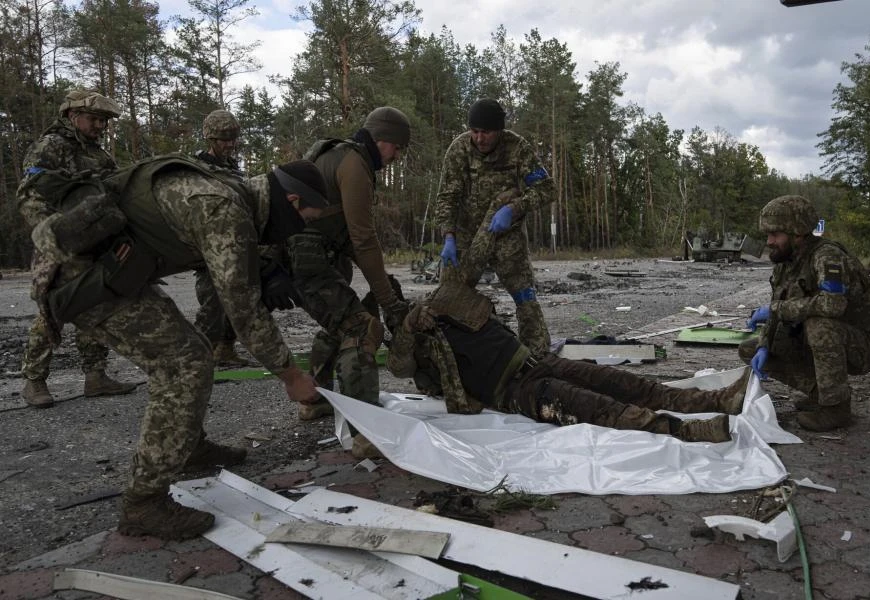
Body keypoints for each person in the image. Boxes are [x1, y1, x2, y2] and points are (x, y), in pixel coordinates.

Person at [26, 156, 331, 540]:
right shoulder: (224, 208)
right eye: (308, 219)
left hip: (113, 265)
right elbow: (242, 306)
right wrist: (291, 375)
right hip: (80, 276)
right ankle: (144, 503)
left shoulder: (234, 194)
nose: (304, 228)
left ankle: (186, 446)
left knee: (194, 349)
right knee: (183, 364)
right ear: (291, 202)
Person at [387, 281, 749, 442]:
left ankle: (715, 400)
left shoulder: (442, 310)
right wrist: (405, 328)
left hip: (539, 362)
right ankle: (689, 431)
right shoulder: (415, 351)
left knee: (628, 384)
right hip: (518, 391)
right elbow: (398, 367)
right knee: (599, 408)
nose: (412, 311)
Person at [17, 89, 137, 408]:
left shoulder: (99, 155)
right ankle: (34, 381)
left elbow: (115, 195)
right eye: (95, 119)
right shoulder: (51, 146)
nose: (100, 126)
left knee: (94, 305)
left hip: (94, 244)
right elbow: (29, 196)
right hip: (58, 244)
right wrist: (54, 234)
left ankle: (95, 376)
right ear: (73, 116)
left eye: (104, 121)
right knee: (53, 308)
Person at [296, 106, 412, 420]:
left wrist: (382, 282)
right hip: (305, 257)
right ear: (380, 139)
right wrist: (388, 300)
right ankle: (366, 429)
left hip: (310, 254)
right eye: (397, 147)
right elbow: (363, 238)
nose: (397, 156)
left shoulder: (339, 154)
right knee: (362, 327)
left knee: (339, 321)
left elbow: (342, 229)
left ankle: (315, 399)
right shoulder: (356, 164)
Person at [738, 195, 870, 432]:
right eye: (768, 235)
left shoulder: (827, 256)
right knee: (750, 349)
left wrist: (778, 309)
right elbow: (778, 307)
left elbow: (833, 306)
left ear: (797, 233)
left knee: (819, 325)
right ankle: (821, 393)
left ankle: (836, 407)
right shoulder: (787, 262)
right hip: (819, 340)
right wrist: (766, 343)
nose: (769, 241)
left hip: (862, 345)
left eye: (775, 234)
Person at [434, 98, 554, 357]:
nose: (479, 138)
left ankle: (537, 355)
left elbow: (546, 189)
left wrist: (515, 209)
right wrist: (448, 236)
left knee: (524, 296)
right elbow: (447, 197)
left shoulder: (518, 148)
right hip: (465, 236)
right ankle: (448, 355)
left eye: (486, 132)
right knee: (449, 298)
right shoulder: (459, 150)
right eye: (474, 131)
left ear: (499, 130)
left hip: (505, 234)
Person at [192, 109, 248, 367]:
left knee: (236, 302)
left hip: (234, 244)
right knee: (211, 304)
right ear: (211, 139)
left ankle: (225, 349)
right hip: (208, 247)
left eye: (233, 139)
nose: (230, 144)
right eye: (224, 139)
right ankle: (197, 357)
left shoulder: (232, 167)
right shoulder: (197, 168)